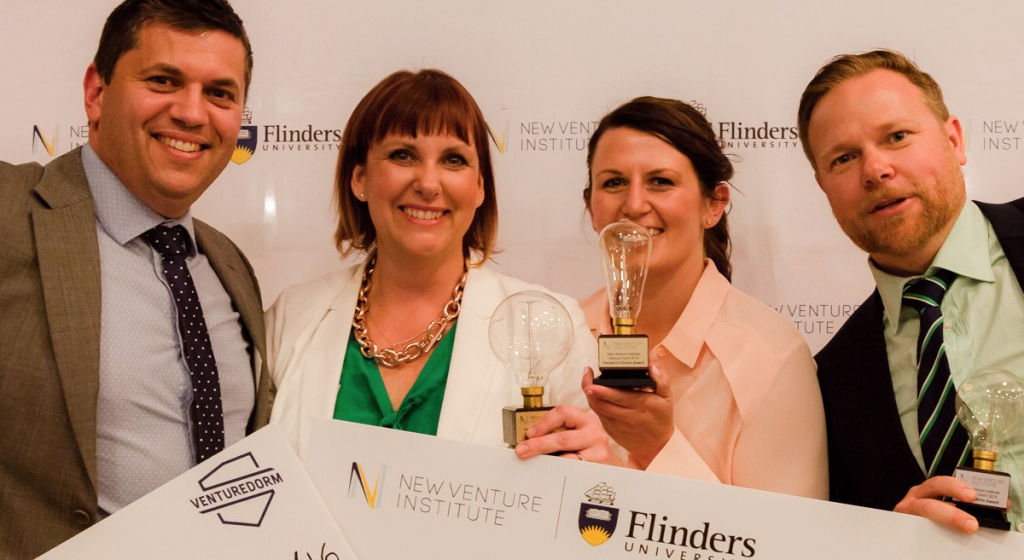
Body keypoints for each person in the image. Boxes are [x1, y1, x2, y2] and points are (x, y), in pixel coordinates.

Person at [0, 0, 274, 559]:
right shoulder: (9, 210)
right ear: (96, 92)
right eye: (163, 81)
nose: (192, 112)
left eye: (220, 93)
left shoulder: (228, 265)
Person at [266, 69, 608, 462]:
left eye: (453, 160)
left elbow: (588, 494)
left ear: (480, 187)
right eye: (403, 155)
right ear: (359, 178)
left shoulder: (548, 324)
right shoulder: (291, 318)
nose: (429, 184)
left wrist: (594, 471)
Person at [798, 49, 1024, 533]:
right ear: (823, 187)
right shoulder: (834, 381)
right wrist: (896, 538)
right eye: (844, 157)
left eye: (897, 137)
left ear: (954, 140)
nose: (875, 169)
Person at [572, 96, 828, 498]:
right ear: (591, 207)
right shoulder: (565, 333)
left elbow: (786, 545)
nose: (634, 204)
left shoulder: (770, 356)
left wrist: (657, 446)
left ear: (714, 204)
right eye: (614, 182)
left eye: (661, 181)